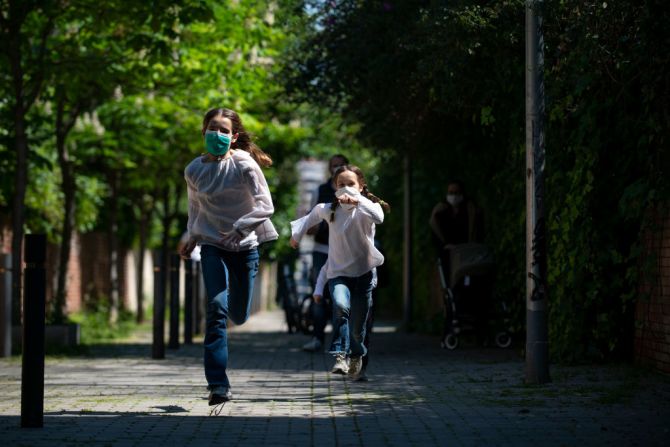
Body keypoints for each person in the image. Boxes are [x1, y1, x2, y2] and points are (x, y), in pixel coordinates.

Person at [180, 107, 277, 406]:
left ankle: (237, 309)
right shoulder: (194, 170)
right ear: (204, 131)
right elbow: (195, 207)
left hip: (245, 247)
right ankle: (218, 385)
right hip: (211, 245)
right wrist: (191, 235)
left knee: (238, 314)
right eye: (213, 128)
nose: (218, 134)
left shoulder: (244, 165)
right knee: (216, 308)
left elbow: (266, 205)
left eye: (224, 130)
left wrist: (240, 228)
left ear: (234, 137)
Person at [290, 165, 389, 380]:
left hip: (364, 274)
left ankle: (356, 355)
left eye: (351, 184)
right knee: (341, 306)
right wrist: (296, 236)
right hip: (338, 275)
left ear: (361, 186)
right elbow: (311, 216)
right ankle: (339, 355)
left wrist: (358, 200)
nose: (346, 188)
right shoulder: (329, 210)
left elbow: (379, 217)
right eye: (341, 184)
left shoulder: (367, 207)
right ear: (335, 188)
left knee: (357, 328)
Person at [302, 154, 349, 353]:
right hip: (322, 250)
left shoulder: (353, 192)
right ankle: (317, 338)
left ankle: (340, 341)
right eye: (334, 165)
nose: (337, 168)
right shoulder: (319, 191)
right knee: (319, 294)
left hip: (346, 252)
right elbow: (309, 220)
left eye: (341, 165)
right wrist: (317, 226)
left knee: (342, 297)